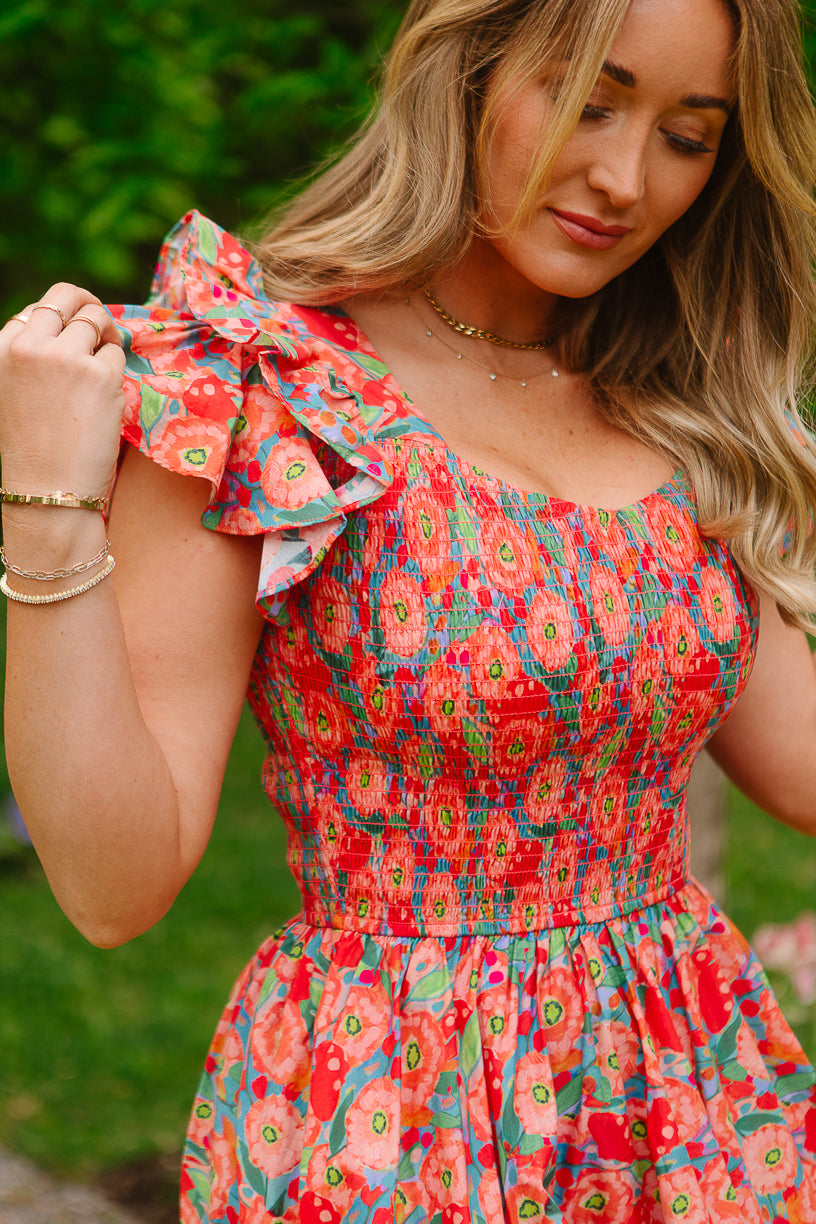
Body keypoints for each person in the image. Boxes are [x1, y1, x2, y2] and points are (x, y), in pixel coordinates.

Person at [3, 0, 816, 1217]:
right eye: (588, 102)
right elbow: (115, 890)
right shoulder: (264, 384)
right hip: (398, 1118)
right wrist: (47, 510)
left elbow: (804, 765)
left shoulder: (672, 394)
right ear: (470, 68)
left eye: (687, 136)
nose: (624, 178)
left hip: (687, 1103)